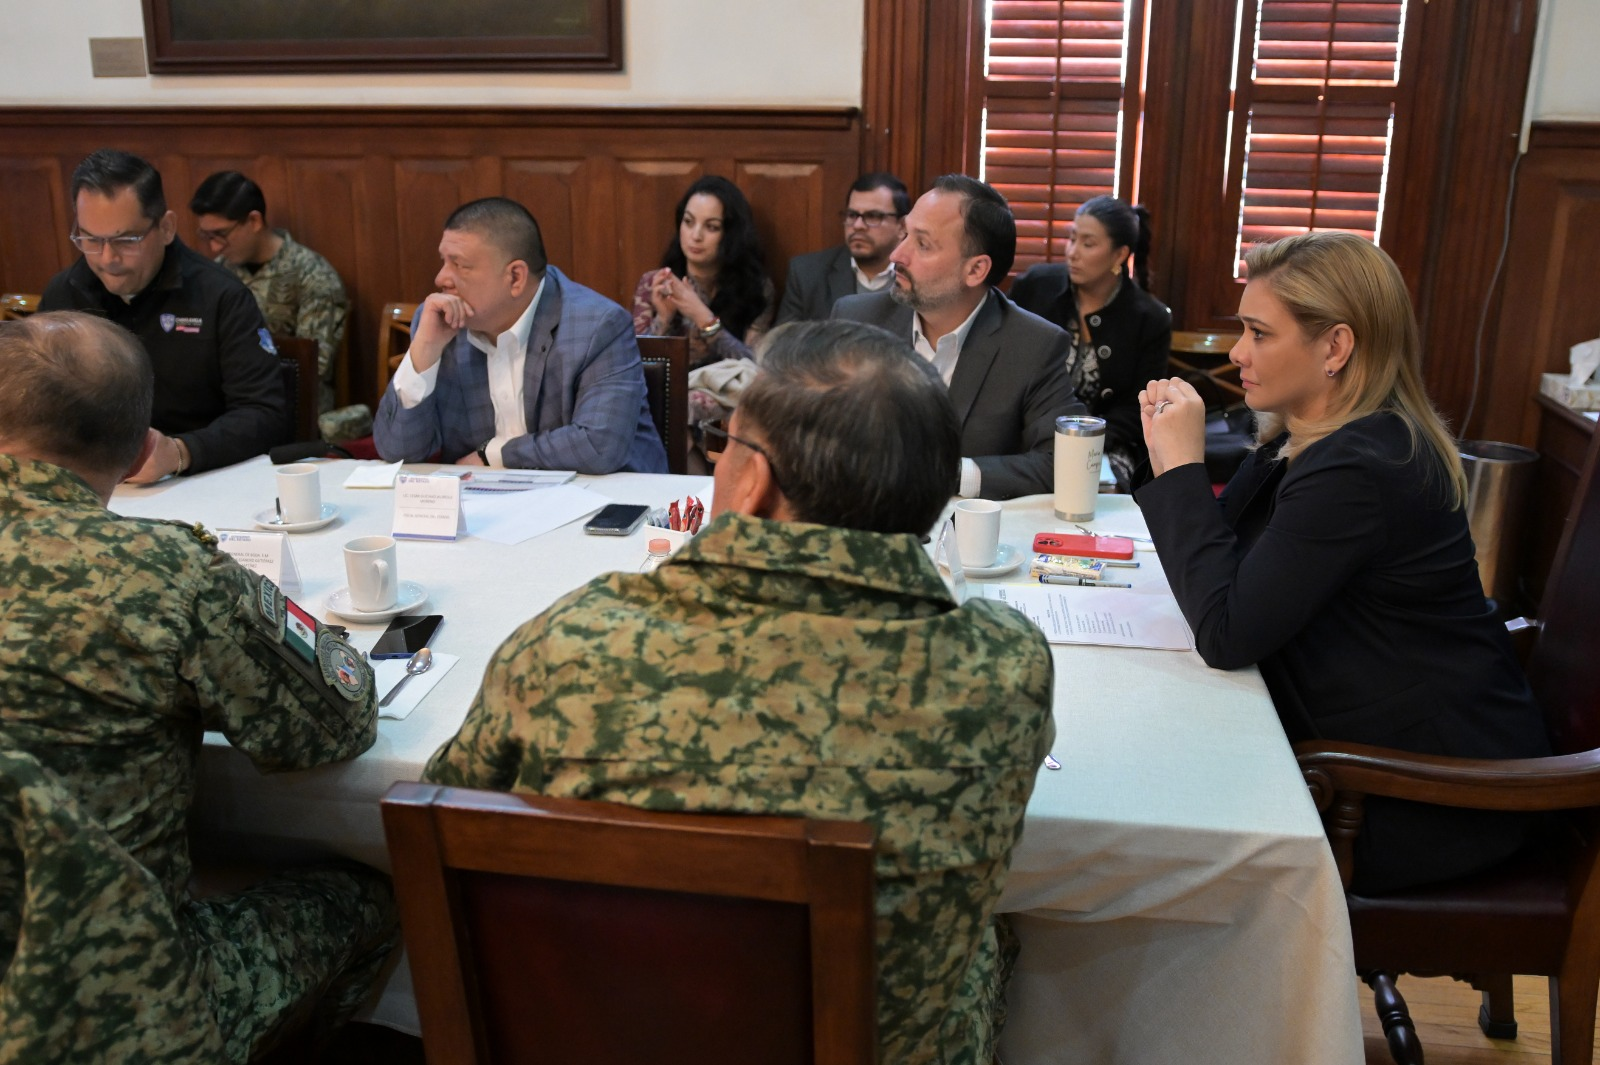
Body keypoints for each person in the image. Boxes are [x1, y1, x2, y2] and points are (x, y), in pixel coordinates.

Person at [424, 319, 1056, 1064]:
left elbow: (451, 803)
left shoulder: (570, 647)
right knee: (994, 936)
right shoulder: (1001, 668)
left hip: (604, 1034)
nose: (718, 460)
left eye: (725, 443)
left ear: (754, 482)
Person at [0, 311, 397, 1062]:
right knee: (368, 891)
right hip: (111, 1013)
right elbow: (335, 724)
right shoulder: (161, 573)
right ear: (139, 451)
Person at [1135, 232, 1550, 895]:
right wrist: (1175, 467)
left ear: (1335, 347)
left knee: (1161, 827)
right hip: (1367, 746)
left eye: (1259, 333)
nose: (1237, 352)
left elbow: (1226, 631)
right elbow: (1222, 558)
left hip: (1431, 796)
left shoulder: (1360, 466)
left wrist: (1181, 468)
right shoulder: (1314, 436)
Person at [39, 149, 286, 480]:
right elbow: (38, 406)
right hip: (91, 481)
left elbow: (265, 414)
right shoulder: (64, 294)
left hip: (199, 478)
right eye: (90, 239)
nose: (107, 259)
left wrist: (182, 452)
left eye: (126, 240)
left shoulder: (221, 296)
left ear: (166, 227)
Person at [375, 197, 667, 474]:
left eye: (459, 265)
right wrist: (424, 351)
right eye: (443, 261)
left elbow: (598, 446)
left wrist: (494, 455)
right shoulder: (439, 324)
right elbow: (398, 451)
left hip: (605, 497)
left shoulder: (598, 326)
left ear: (515, 277)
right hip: (485, 502)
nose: (441, 279)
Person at [833, 175, 1080, 500]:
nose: (897, 255)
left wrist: (950, 474)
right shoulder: (856, 320)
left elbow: (1063, 462)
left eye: (923, 244)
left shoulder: (1033, 345)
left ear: (975, 270)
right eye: (905, 234)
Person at [1010, 195, 1172, 489]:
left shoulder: (1150, 318)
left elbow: (1138, 407)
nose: (1072, 253)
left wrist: (1084, 441)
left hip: (1105, 444)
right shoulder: (1035, 286)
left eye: (1088, 244)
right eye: (1072, 239)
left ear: (1119, 255)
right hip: (1027, 435)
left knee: (1099, 490)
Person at [189, 170, 352, 419]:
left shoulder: (311, 275)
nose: (214, 247)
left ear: (254, 221)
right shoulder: (219, 273)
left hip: (291, 410)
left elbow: (313, 366)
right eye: (206, 236)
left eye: (221, 235)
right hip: (227, 405)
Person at [630, 174, 776, 372]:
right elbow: (633, 366)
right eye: (688, 222)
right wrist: (663, 319)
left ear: (731, 234)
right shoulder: (654, 282)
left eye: (711, 227)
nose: (696, 235)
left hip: (726, 389)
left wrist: (703, 318)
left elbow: (755, 368)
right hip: (670, 389)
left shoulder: (756, 287)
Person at [776, 171, 909, 324]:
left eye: (873, 216)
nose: (858, 225)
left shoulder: (917, 275)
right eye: (852, 215)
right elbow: (786, 337)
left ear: (902, 226)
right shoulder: (807, 273)